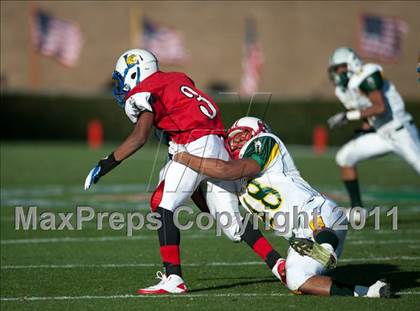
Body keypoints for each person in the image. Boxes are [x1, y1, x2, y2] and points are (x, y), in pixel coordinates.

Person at [84, 49, 286, 294]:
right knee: (231, 224)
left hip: (195, 144)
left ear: (136, 71)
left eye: (122, 77)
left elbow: (140, 136)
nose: (121, 85)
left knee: (162, 203)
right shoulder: (177, 78)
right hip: (216, 145)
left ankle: (174, 278)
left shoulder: (143, 91)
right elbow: (180, 119)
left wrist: (107, 163)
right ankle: (278, 264)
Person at [170, 116, 392, 297]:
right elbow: (214, 208)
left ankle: (326, 250)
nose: (233, 141)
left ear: (254, 132)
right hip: (300, 236)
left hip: (317, 209)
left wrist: (184, 157)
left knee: (312, 220)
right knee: (296, 280)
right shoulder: (236, 180)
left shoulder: (265, 141)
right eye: (231, 137)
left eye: (240, 135)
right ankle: (367, 292)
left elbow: (227, 170)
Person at [327, 47, 420, 208]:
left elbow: (380, 107)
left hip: (400, 131)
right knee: (345, 156)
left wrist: (348, 116)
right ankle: (357, 209)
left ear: (351, 64)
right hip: (383, 135)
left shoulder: (365, 74)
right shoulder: (345, 91)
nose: (336, 73)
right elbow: (369, 115)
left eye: (338, 68)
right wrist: (364, 129)